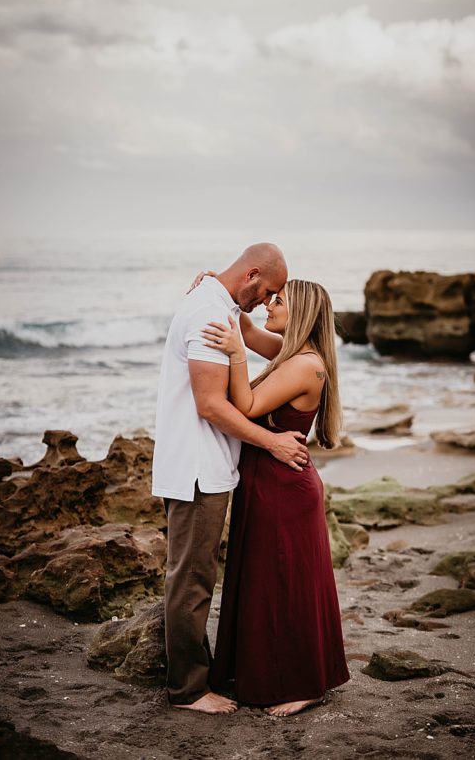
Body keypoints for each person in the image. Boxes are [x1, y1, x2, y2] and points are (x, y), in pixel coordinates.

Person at [152, 243, 309, 715]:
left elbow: (278, 349)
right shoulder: (208, 312)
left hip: (208, 466)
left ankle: (197, 676)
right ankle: (188, 690)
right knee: (192, 579)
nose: (267, 302)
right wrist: (272, 443)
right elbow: (211, 405)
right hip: (198, 468)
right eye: (268, 291)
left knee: (196, 574)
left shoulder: (219, 306)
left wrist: (238, 320)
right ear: (252, 274)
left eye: (276, 298)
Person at [200, 278, 350, 717]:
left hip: (284, 486)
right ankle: (262, 670)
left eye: (278, 301)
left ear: (299, 311)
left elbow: (246, 406)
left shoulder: (305, 365)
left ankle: (305, 685)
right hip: (268, 481)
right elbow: (245, 327)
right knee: (266, 581)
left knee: (287, 585)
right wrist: (215, 284)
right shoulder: (291, 353)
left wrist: (234, 355)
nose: (269, 305)